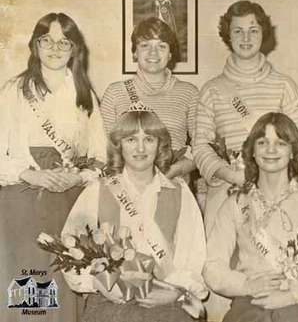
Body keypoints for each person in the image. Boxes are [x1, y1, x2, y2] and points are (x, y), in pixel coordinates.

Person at [0, 13, 106, 322]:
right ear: (35, 45)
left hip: (71, 205)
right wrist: (32, 173)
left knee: (66, 287)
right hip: (23, 203)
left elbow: (100, 157)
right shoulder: (14, 91)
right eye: (47, 40)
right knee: (31, 293)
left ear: (75, 49)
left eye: (64, 42)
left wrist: (79, 175)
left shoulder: (86, 96)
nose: (55, 48)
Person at [62, 109, 207, 322]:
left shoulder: (180, 192)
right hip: (111, 302)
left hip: (166, 300)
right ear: (119, 145)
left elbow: (194, 255)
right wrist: (98, 284)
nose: (140, 148)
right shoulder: (97, 190)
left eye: (149, 139)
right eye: (131, 139)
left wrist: (175, 291)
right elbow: (69, 249)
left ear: (160, 146)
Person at [204, 112, 298, 322]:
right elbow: (212, 267)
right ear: (252, 151)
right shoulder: (236, 203)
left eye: (280, 143)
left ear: (294, 151)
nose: (270, 150)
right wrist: (247, 285)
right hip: (251, 298)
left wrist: (292, 295)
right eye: (262, 142)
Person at [193, 0, 298, 237]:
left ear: (263, 33)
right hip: (227, 191)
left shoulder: (284, 86)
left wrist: (273, 176)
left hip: (277, 193)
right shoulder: (212, 89)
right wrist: (232, 175)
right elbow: (200, 146)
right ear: (228, 35)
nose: (245, 38)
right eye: (238, 31)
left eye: (253, 30)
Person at [101, 17, 197, 181]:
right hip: (126, 183)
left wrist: (175, 170)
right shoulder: (115, 92)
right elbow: (104, 148)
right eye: (145, 46)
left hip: (173, 180)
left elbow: (202, 147)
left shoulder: (189, 93)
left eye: (161, 46)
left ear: (170, 53)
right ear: (135, 52)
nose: (153, 53)